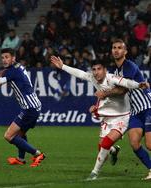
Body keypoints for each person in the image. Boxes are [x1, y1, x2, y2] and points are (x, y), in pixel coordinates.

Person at [50, 55, 149, 180]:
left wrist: (138, 85)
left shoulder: (112, 78)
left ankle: (94, 173)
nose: (96, 72)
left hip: (123, 117)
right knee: (102, 148)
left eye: (99, 69)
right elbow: (79, 73)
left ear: (105, 70)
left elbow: (126, 82)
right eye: (94, 69)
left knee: (106, 143)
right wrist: (63, 66)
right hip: (107, 117)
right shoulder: (92, 77)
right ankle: (113, 150)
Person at [0, 48, 45, 167]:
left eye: (7, 57)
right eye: (3, 57)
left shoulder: (12, 72)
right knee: (20, 134)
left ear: (13, 58)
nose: (4, 60)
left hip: (29, 109)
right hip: (34, 106)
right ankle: (21, 159)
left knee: (9, 135)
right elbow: (3, 72)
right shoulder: (17, 67)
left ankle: (37, 154)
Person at [96, 39, 151, 180]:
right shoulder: (116, 71)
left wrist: (105, 93)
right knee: (134, 143)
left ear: (125, 51)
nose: (116, 50)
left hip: (147, 107)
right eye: (114, 47)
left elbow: (122, 90)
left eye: (120, 48)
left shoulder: (129, 66)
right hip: (135, 111)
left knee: (150, 144)